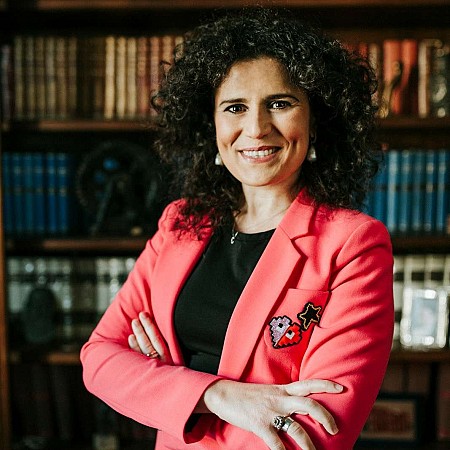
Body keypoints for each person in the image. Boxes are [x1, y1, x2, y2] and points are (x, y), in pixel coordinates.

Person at [81, 8, 394, 450]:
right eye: (235, 107)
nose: (256, 128)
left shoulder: (353, 244)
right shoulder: (179, 224)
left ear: (316, 121)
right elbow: (99, 360)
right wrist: (219, 395)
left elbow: (319, 430)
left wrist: (163, 383)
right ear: (210, 125)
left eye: (280, 103)